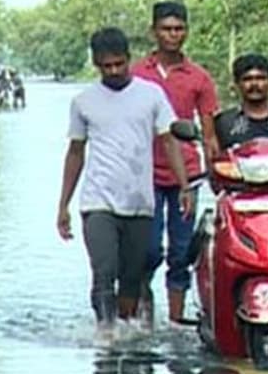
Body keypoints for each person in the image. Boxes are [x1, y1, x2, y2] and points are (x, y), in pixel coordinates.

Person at [56, 27, 192, 331]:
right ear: (96, 64)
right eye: (107, 66)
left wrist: (184, 186)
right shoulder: (84, 101)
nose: (114, 71)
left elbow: (169, 141)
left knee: (132, 277)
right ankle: (106, 335)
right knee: (104, 271)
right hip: (98, 201)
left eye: (119, 64)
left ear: (129, 59)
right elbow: (75, 152)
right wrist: (63, 205)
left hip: (139, 202)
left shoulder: (151, 95)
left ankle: (128, 335)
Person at [131, 1, 219, 325]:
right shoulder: (137, 74)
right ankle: (143, 307)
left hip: (187, 176)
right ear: (154, 31)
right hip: (145, 175)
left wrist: (217, 171)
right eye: (167, 29)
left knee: (181, 251)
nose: (173, 35)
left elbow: (209, 132)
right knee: (149, 250)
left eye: (179, 29)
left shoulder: (199, 77)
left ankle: (176, 320)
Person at [213, 53, 268, 150]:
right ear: (237, 84)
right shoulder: (223, 123)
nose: (254, 84)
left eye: (260, 78)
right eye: (247, 79)